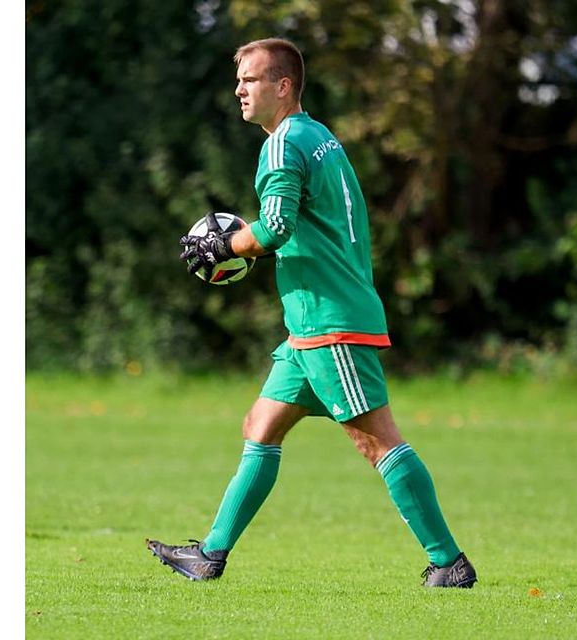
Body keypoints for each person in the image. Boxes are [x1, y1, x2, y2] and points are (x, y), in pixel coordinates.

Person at [146, 37, 476, 589]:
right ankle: (209, 555)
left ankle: (449, 562)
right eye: (238, 80)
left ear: (283, 86)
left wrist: (223, 247)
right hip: (311, 325)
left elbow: (275, 228)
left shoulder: (281, 146)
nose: (239, 90)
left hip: (331, 322)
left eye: (250, 80)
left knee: (377, 441)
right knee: (261, 424)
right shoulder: (318, 135)